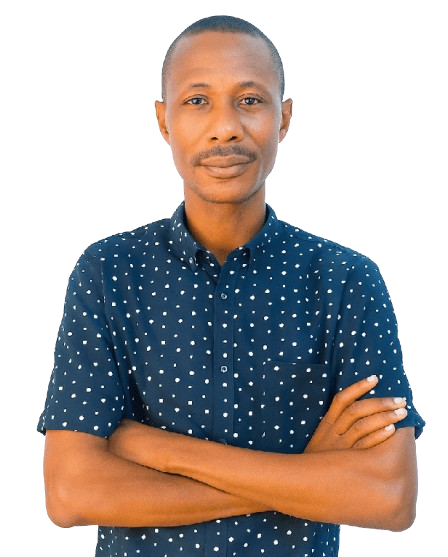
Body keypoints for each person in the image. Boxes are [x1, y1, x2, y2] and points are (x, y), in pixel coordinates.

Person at [37, 14, 426, 557]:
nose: (226, 128)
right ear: (164, 121)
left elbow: (388, 498)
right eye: (197, 101)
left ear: (284, 118)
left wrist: (159, 450)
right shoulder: (108, 272)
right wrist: (308, 477)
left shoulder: (347, 280)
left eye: (250, 100)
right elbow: (71, 495)